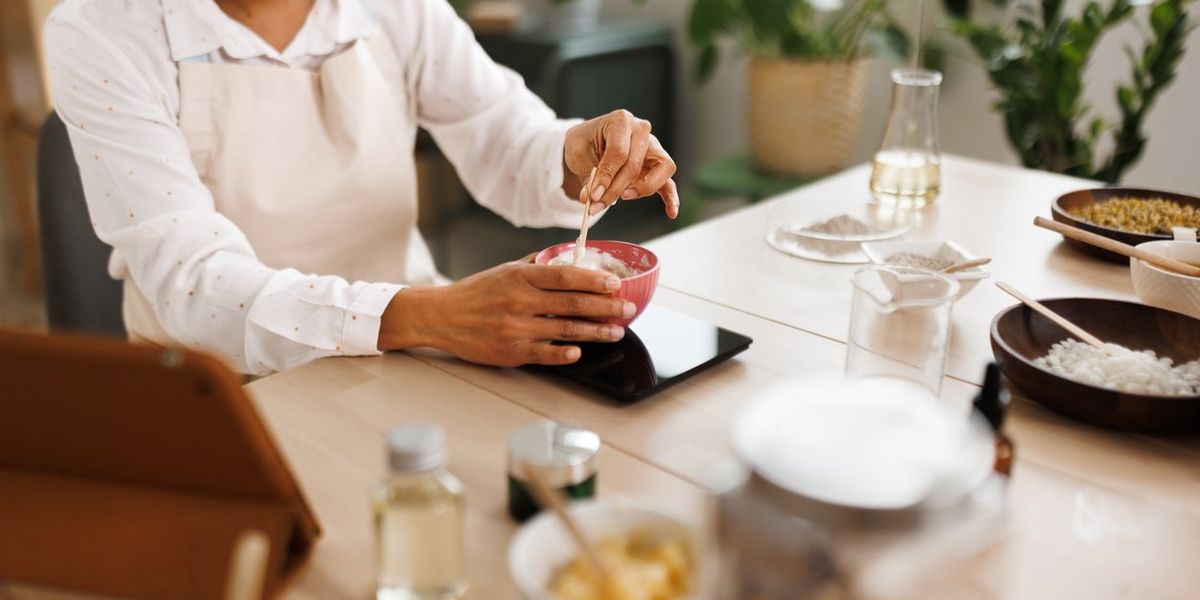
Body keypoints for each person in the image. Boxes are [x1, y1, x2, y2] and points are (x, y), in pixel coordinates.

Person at [45, 0, 679, 375]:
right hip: (222, 383)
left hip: (412, 354)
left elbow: (500, 131)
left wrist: (574, 154)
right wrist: (438, 315)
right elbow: (193, 282)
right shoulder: (104, 30)